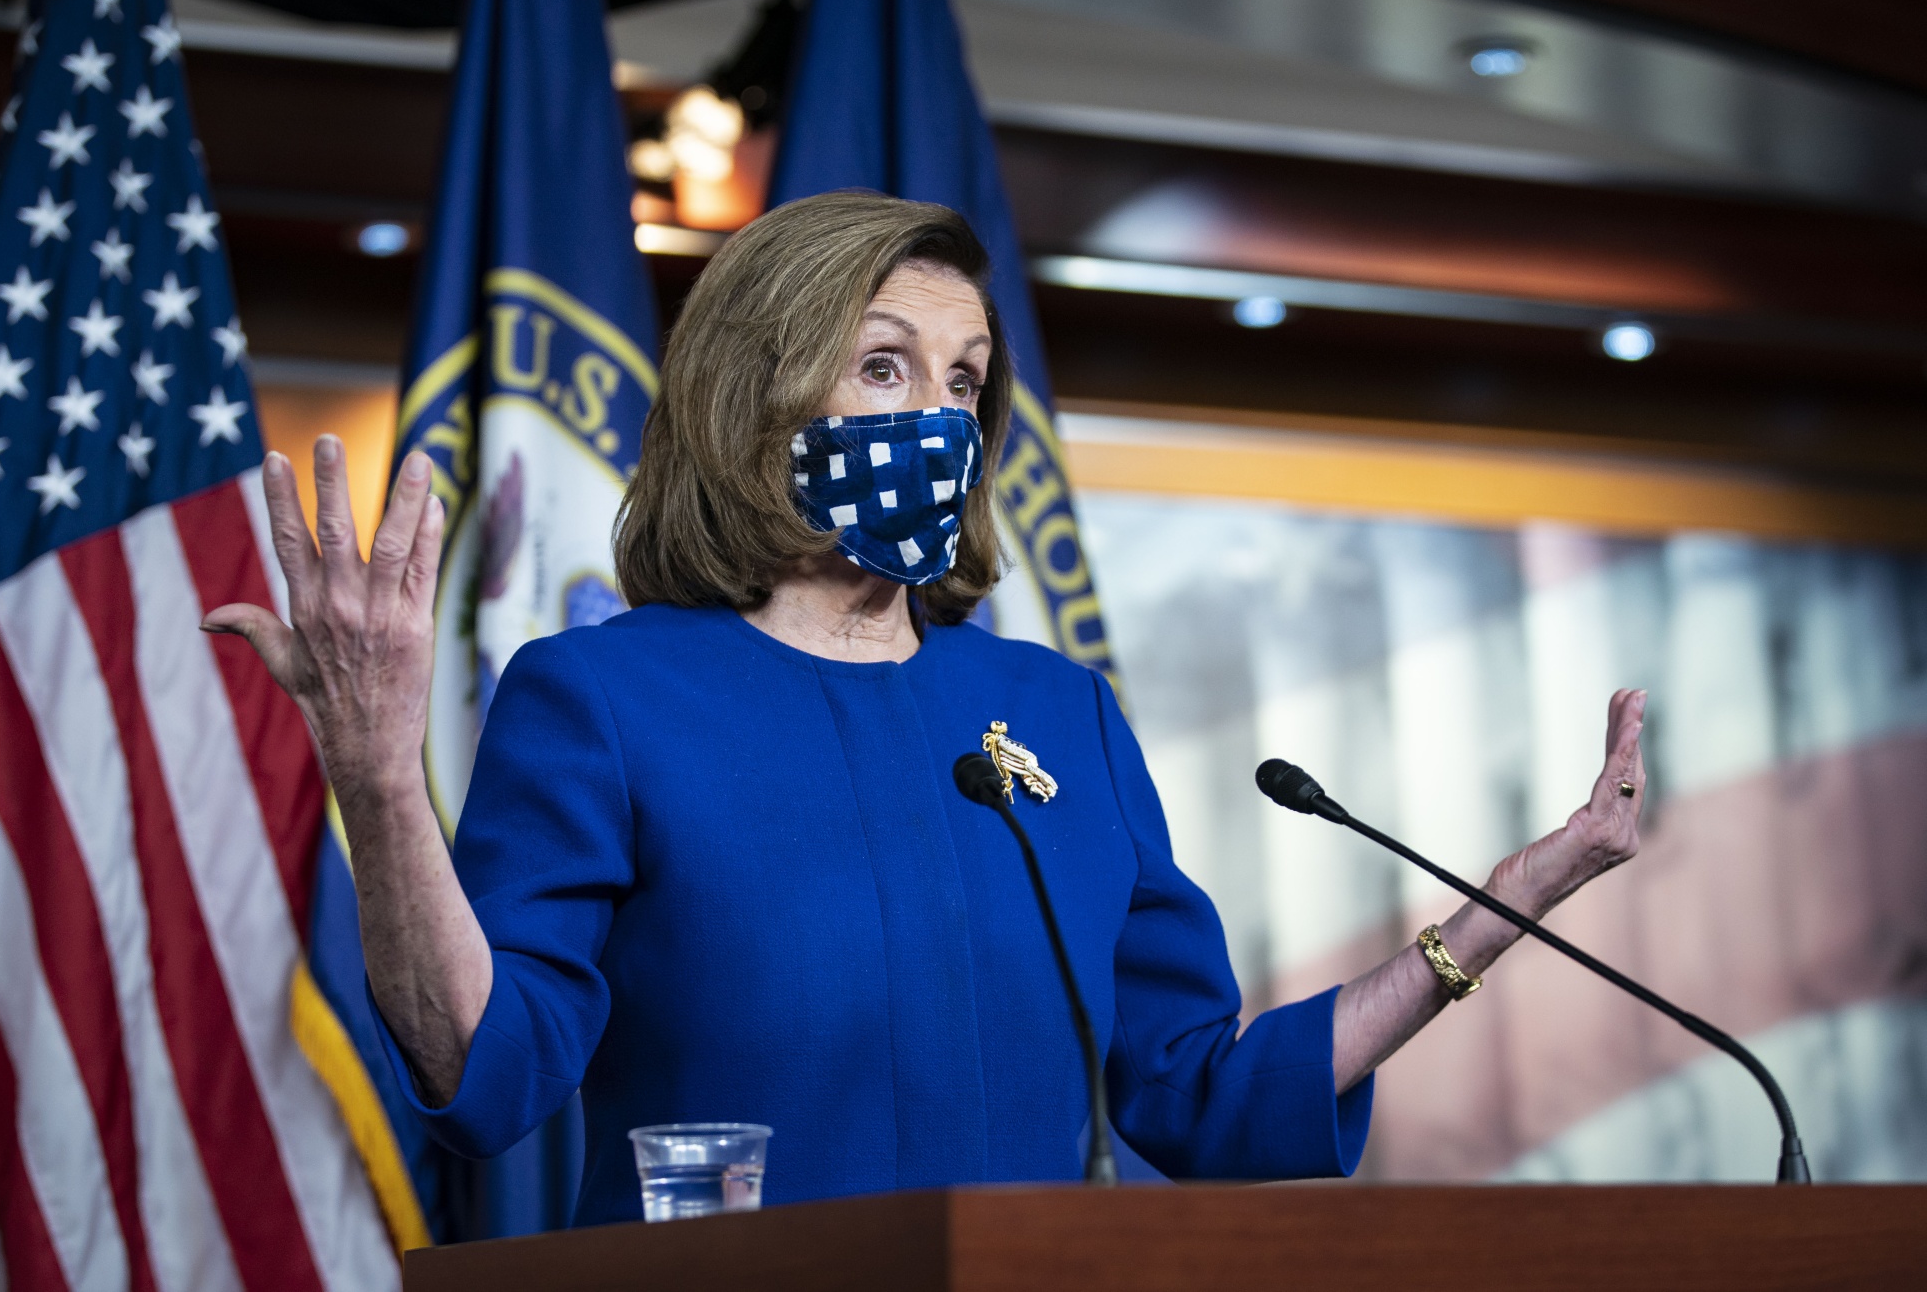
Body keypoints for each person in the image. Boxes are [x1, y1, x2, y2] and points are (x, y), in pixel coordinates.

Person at [206, 191, 1646, 1225]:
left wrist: (1499, 911)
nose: (938, 420)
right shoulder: (603, 696)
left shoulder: (1054, 713)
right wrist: (384, 778)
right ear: (756, 395)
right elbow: (490, 1063)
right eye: (883, 365)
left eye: (964, 383)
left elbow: (1192, 1092)